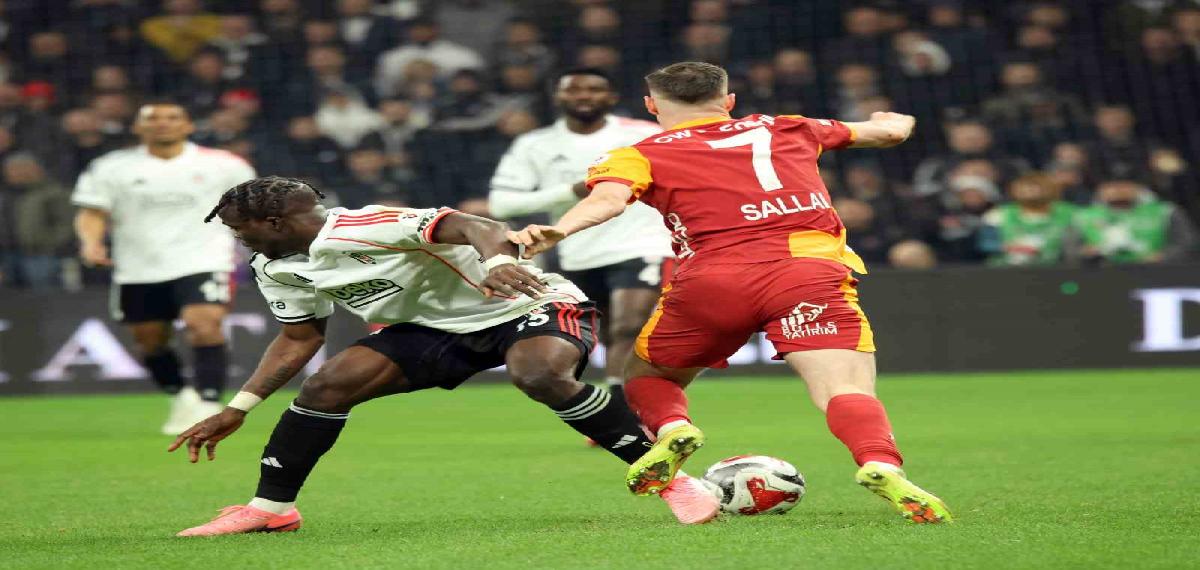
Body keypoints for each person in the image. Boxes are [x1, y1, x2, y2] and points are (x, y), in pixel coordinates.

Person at [510, 61, 953, 524]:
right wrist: (894, 119)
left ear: (651, 106)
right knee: (844, 387)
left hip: (711, 280)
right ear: (728, 101)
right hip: (806, 273)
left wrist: (560, 230)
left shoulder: (637, 153)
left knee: (648, 374)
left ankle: (674, 429)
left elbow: (607, 200)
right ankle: (880, 463)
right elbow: (889, 134)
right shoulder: (788, 127)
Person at [169, 177, 720, 536]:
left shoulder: (365, 225)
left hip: (524, 302)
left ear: (272, 223)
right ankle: (270, 510)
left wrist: (497, 263)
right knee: (325, 387)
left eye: (239, 229)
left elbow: (478, 226)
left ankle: (674, 481)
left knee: (538, 375)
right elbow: (298, 338)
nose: (237, 239)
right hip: (433, 329)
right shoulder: (275, 266)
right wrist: (238, 408)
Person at [488, 68, 673, 407]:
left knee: (628, 326)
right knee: (602, 330)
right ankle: (602, 400)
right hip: (575, 248)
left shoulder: (644, 134)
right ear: (558, 97)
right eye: (573, 90)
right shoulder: (534, 144)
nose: (584, 96)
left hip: (642, 242)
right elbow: (501, 203)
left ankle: (621, 405)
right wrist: (570, 191)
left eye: (594, 89)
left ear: (612, 97)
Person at [72, 102, 256, 434]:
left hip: (204, 259)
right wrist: (90, 243)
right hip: (137, 266)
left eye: (172, 118)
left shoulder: (225, 165)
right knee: (149, 340)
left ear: (188, 126)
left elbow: (250, 209)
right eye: (152, 119)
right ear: (137, 128)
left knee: (204, 323)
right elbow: (92, 212)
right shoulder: (111, 167)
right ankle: (181, 396)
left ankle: (209, 403)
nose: (162, 124)